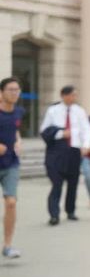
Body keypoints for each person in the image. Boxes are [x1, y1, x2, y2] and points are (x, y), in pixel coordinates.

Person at [40, 85, 90, 225]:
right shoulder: (53, 110)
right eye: (72, 95)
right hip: (57, 150)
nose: (74, 97)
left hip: (74, 150)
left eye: (75, 95)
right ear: (64, 95)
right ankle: (54, 214)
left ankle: (70, 211)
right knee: (57, 183)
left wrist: (86, 145)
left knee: (73, 183)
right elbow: (44, 130)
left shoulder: (79, 111)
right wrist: (61, 134)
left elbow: (86, 129)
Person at [0, 77, 25, 257]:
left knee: (11, 203)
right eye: (11, 89)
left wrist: (18, 141)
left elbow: (15, 129)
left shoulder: (19, 112)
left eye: (17, 90)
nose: (15, 93)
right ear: (1, 93)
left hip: (11, 163)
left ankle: (8, 246)